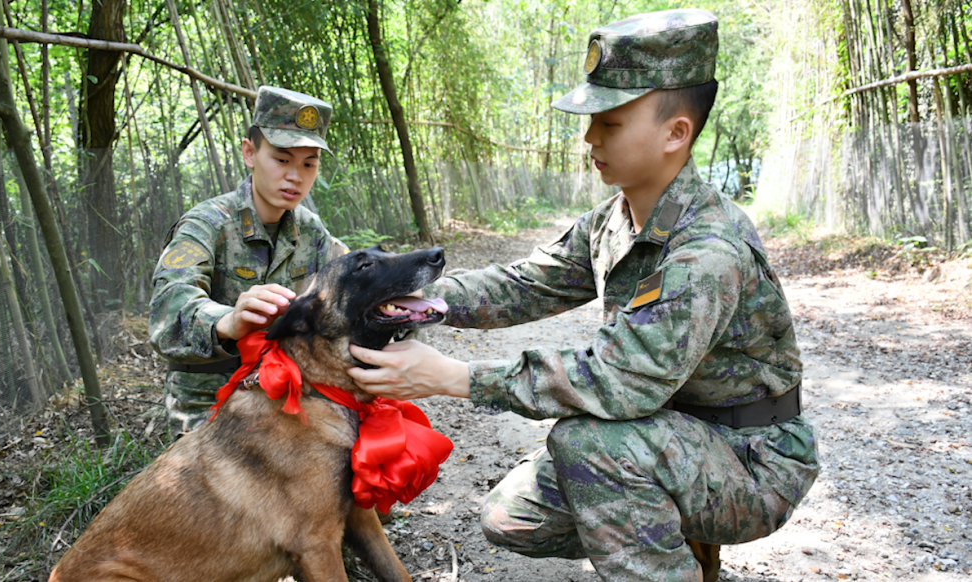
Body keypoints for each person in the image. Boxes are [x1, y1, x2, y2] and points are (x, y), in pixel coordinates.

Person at [346, 9, 819, 582]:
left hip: (751, 458)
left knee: (589, 445)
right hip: (666, 433)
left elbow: (617, 381)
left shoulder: (707, 251)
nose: (590, 137)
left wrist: (453, 377)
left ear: (676, 133)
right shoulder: (614, 218)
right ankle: (678, 535)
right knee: (510, 517)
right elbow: (524, 283)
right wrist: (415, 302)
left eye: (611, 122)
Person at [149, 86, 348, 438]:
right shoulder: (206, 224)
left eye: (309, 164)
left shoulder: (310, 230)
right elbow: (168, 311)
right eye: (282, 159)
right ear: (249, 152)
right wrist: (227, 321)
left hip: (284, 395)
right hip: (207, 404)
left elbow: (349, 284)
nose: (295, 176)